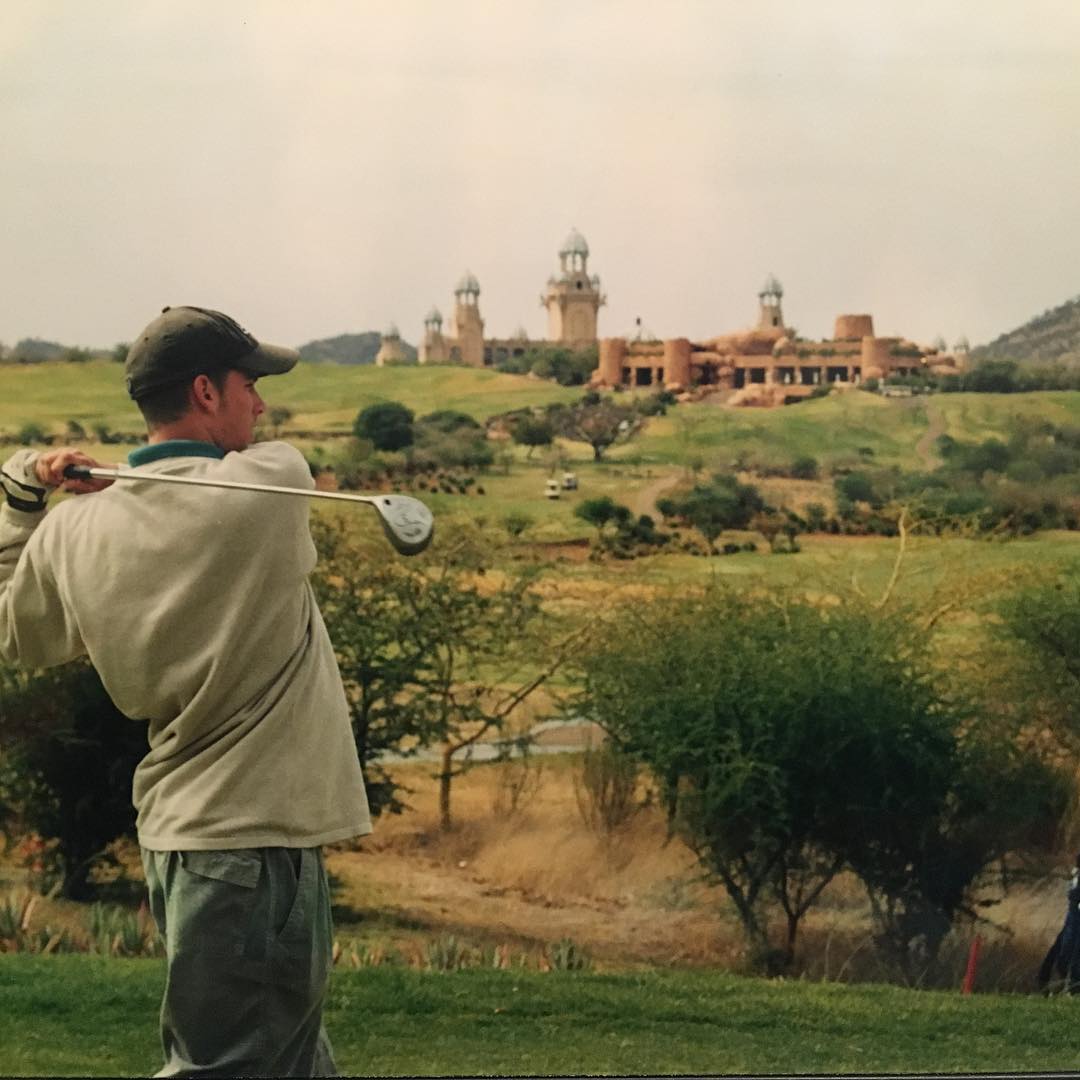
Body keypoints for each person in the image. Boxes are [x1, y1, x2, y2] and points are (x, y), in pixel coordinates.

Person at [0, 305, 372, 1076]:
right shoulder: (269, 485)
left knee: (294, 1062)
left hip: (196, 836)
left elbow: (10, 631)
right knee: (228, 1066)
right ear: (207, 391)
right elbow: (233, 476)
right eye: (251, 384)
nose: (261, 404)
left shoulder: (76, 532)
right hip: (249, 839)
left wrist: (21, 501)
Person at [1037, 852, 1080, 995]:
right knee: (1068, 948)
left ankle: (1046, 979)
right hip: (1076, 913)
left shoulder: (1075, 876)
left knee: (1065, 946)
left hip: (1075, 912)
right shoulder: (1077, 877)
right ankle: (1071, 985)